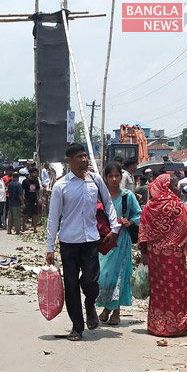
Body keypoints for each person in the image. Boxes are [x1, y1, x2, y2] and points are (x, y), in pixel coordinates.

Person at [46, 143, 120, 341]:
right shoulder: (61, 186)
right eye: (79, 157)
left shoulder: (95, 181)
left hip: (91, 240)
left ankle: (90, 303)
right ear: (69, 161)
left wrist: (115, 228)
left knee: (89, 280)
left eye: (85, 156)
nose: (84, 160)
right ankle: (77, 327)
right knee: (71, 284)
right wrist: (49, 247)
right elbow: (53, 218)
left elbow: (108, 204)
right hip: (68, 241)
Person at [139, 174, 187, 337]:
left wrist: (144, 253)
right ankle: (176, 327)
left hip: (155, 255)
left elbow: (143, 232)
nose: (177, 189)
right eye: (175, 186)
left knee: (159, 290)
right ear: (168, 187)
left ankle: (158, 326)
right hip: (173, 255)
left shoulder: (149, 206)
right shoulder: (175, 205)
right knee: (177, 288)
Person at [96, 162, 142, 326]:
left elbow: (139, 215)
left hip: (122, 241)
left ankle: (115, 312)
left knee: (118, 276)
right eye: (110, 176)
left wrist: (129, 222)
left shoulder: (127, 196)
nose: (114, 179)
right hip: (104, 241)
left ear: (121, 177)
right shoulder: (101, 196)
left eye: (117, 176)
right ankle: (107, 308)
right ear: (106, 178)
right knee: (103, 276)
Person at [22, 167, 41, 233]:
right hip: (27, 199)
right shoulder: (25, 181)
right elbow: (23, 190)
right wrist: (23, 198)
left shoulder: (36, 181)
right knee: (25, 214)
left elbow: (37, 190)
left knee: (34, 214)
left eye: (36, 173)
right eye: (34, 173)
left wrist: (39, 198)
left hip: (34, 199)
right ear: (30, 173)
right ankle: (23, 227)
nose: (35, 174)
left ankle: (35, 228)